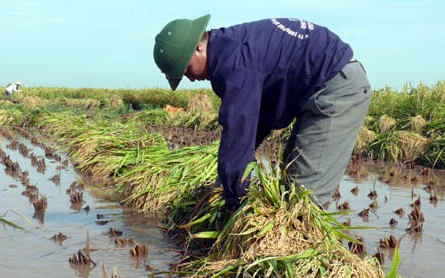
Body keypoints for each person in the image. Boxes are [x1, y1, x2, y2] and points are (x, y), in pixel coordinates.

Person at [153, 15, 371, 210]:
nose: (190, 79)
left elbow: (238, 130)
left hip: (337, 88)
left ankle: (302, 250)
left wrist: (232, 202)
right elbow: (256, 122)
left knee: (303, 194)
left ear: (198, 48)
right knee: (291, 169)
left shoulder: (235, 63)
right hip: (321, 84)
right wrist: (227, 183)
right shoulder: (233, 48)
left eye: (187, 69)